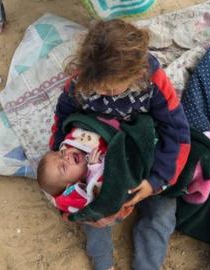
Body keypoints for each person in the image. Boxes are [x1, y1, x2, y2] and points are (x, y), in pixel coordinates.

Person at [48, 19, 190, 270]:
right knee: (93, 215)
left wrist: (155, 182)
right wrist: (62, 157)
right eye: (99, 88)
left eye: (113, 89)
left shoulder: (153, 81)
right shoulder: (81, 83)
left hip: (145, 155)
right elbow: (63, 121)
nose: (106, 93)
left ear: (136, 73)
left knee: (162, 214)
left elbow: (176, 132)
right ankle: (104, 264)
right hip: (101, 159)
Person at [38, 128, 107, 214]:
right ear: (71, 186)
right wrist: (96, 167)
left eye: (62, 153)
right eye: (63, 167)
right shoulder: (91, 185)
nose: (66, 157)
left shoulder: (78, 141)